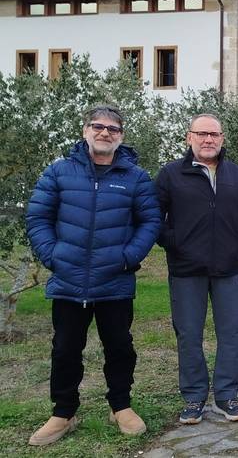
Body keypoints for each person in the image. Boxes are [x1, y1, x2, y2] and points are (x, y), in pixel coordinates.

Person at [25, 105, 160, 445]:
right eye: (98, 126)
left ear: (121, 136)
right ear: (85, 130)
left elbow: (150, 222)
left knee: (120, 347)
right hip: (69, 280)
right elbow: (38, 217)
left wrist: (127, 258)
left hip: (115, 280)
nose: (105, 133)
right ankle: (63, 413)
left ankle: (121, 406)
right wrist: (53, 256)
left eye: (112, 129)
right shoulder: (59, 172)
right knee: (65, 349)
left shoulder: (135, 178)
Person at [155, 113, 238, 424]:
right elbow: (152, 217)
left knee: (231, 333)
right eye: (201, 134)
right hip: (186, 269)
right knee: (189, 334)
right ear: (190, 137)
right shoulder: (171, 174)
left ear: (222, 139)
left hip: (228, 267)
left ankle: (227, 396)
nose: (208, 139)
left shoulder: (234, 173)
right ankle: (194, 397)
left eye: (214, 134)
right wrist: (174, 242)